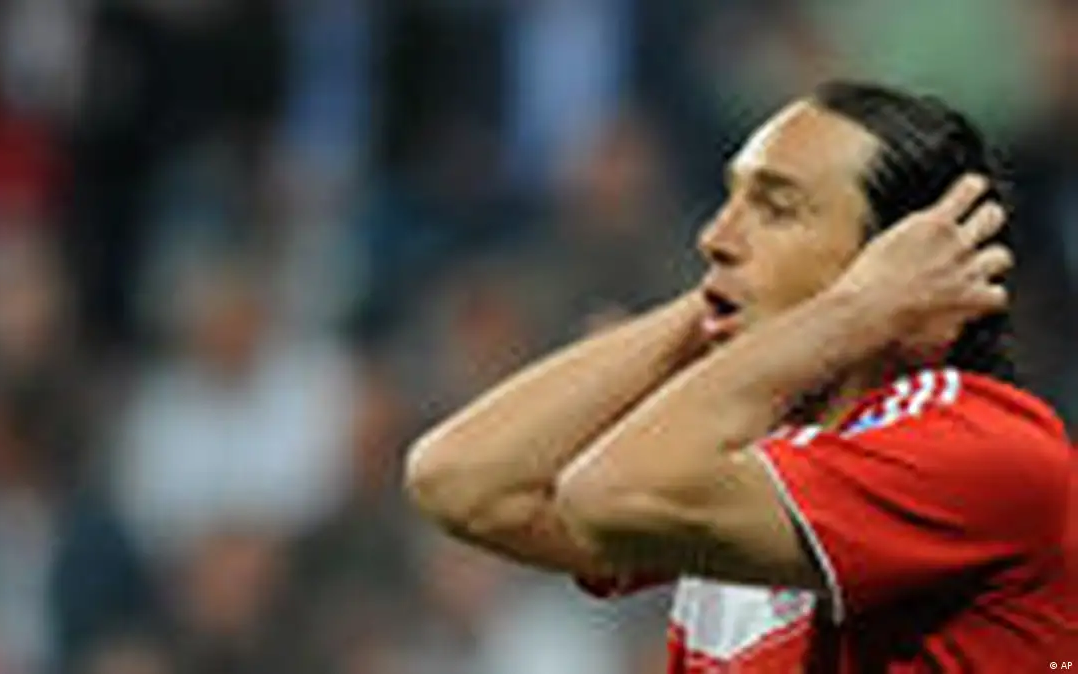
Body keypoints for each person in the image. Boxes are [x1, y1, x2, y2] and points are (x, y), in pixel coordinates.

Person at [404, 80, 1077, 671]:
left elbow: (607, 492)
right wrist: (711, 309)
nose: (714, 236)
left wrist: (852, 310)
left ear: (903, 262)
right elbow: (460, 481)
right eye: (731, 199)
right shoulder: (764, 456)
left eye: (775, 209)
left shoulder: (983, 446)